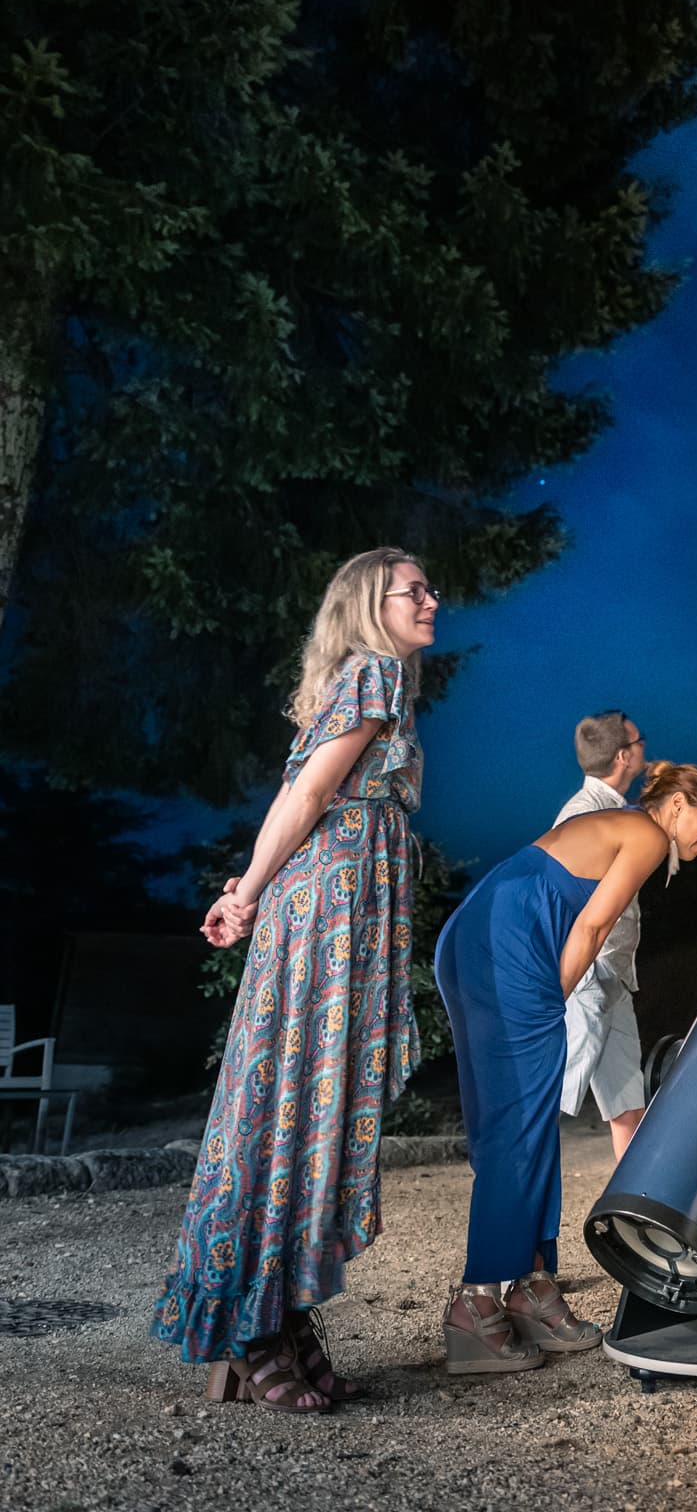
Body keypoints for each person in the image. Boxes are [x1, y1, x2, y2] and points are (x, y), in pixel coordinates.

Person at [152, 548, 436, 1410]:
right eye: (413, 590)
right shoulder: (375, 673)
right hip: (328, 913)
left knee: (307, 1098)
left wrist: (248, 890)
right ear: (368, 607)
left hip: (342, 909)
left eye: (429, 588)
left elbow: (305, 796)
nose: (433, 599)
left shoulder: (371, 680)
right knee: (295, 1101)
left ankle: (283, 1310)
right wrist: (246, 893)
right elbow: (307, 796)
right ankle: (257, 1327)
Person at [435, 761, 697, 1374]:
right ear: (677, 805)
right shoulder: (645, 834)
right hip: (507, 950)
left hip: (480, 939)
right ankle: (476, 1307)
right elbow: (592, 926)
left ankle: (528, 1285)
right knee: (518, 1126)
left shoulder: (628, 827)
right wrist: (551, 1002)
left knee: (527, 1124)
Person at [555, 711, 649, 1159]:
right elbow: (565, 903)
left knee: (627, 1106)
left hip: (615, 977)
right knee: (552, 1099)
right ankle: (519, 1206)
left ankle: (631, 1211)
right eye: (640, 742)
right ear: (623, 755)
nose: (645, 749)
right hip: (587, 978)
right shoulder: (582, 816)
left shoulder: (616, 811)